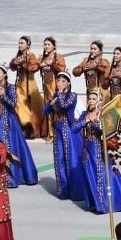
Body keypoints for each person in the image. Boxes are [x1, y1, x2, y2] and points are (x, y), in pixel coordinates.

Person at [72, 91, 121, 215]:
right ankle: (96, 203)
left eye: (93, 99)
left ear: (99, 101)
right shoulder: (85, 114)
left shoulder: (103, 114)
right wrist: (86, 120)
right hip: (86, 151)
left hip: (99, 151)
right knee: (91, 176)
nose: (90, 101)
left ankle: (107, 204)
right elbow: (74, 128)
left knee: (104, 175)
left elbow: (107, 131)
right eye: (89, 98)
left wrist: (97, 121)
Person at [0, 64, 39, 188]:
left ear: (4, 74)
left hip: (8, 122)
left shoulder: (10, 87)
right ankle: (1, 176)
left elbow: (13, 103)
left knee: (10, 148)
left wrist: (3, 94)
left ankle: (12, 178)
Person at [44, 72, 84, 202]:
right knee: (59, 159)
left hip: (69, 130)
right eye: (58, 81)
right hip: (58, 131)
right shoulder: (55, 95)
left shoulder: (72, 96)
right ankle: (63, 189)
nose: (59, 83)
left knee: (70, 159)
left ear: (68, 83)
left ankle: (75, 190)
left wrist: (59, 94)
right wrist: (51, 102)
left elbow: (65, 106)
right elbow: (45, 111)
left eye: (63, 81)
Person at [9, 36, 45, 139]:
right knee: (18, 105)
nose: (20, 45)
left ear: (27, 45)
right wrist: (14, 62)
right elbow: (12, 67)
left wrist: (23, 63)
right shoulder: (19, 55)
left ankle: (30, 127)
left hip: (29, 83)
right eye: (19, 43)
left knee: (29, 106)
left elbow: (34, 68)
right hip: (20, 84)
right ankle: (24, 126)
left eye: (22, 43)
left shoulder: (30, 55)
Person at [38, 37, 66, 142]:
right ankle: (50, 133)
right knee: (48, 109)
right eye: (45, 44)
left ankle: (56, 133)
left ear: (54, 46)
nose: (46, 46)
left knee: (56, 109)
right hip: (46, 88)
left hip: (55, 88)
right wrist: (42, 64)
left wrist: (52, 64)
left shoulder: (58, 57)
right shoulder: (42, 58)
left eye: (48, 44)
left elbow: (62, 70)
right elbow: (33, 66)